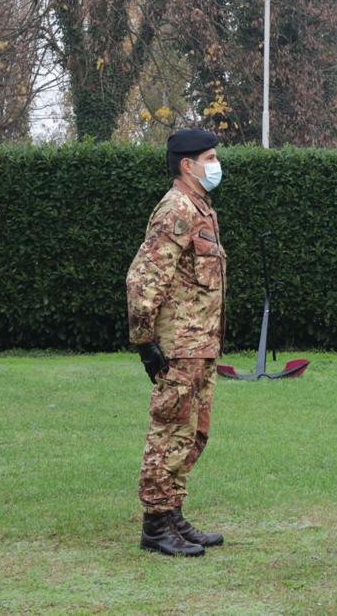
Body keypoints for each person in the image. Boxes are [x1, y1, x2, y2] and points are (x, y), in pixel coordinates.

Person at [126, 128, 227, 557]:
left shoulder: (200, 206)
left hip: (201, 343)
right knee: (170, 431)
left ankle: (173, 514)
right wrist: (145, 342)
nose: (215, 164)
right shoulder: (176, 210)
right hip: (179, 346)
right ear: (187, 165)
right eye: (209, 157)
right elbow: (144, 278)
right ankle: (155, 526)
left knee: (192, 433)